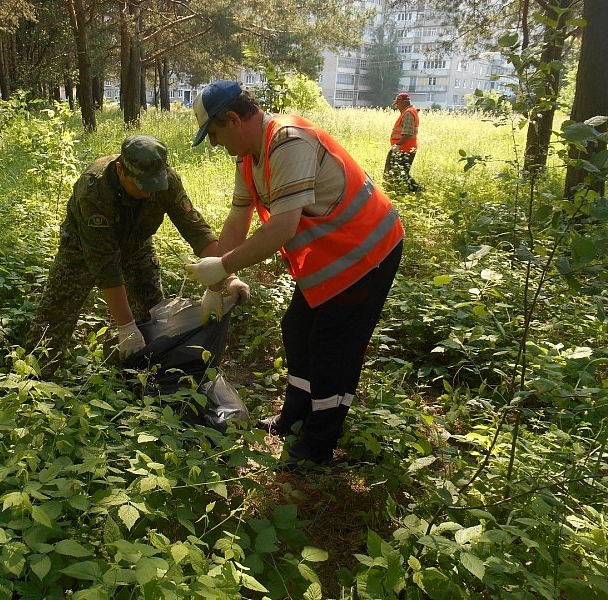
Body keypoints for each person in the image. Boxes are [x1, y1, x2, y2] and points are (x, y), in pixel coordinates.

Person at [185, 81, 404, 468]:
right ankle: (294, 417)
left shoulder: (289, 141)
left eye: (215, 134)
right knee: (297, 330)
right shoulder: (249, 158)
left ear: (233, 119)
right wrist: (218, 281)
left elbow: (283, 228)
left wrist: (222, 265)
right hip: (331, 257)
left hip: (368, 252)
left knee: (332, 347)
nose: (216, 144)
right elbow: (237, 220)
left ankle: (317, 446)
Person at [26, 134, 247, 375]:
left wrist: (227, 275)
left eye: (155, 185)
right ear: (121, 170)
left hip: (137, 247)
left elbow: (196, 230)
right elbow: (105, 265)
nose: (149, 193)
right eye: (142, 186)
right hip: (81, 250)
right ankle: (34, 381)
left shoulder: (166, 181)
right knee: (55, 315)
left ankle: (141, 378)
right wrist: (125, 326)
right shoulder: (94, 190)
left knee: (151, 317)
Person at [384, 92, 420, 193]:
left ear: (404, 102)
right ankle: (397, 191)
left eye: (398, 104)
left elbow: (408, 134)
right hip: (402, 148)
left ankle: (417, 191)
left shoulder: (408, 113)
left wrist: (397, 145)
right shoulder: (407, 112)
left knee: (401, 174)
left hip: (405, 149)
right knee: (399, 173)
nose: (397, 107)